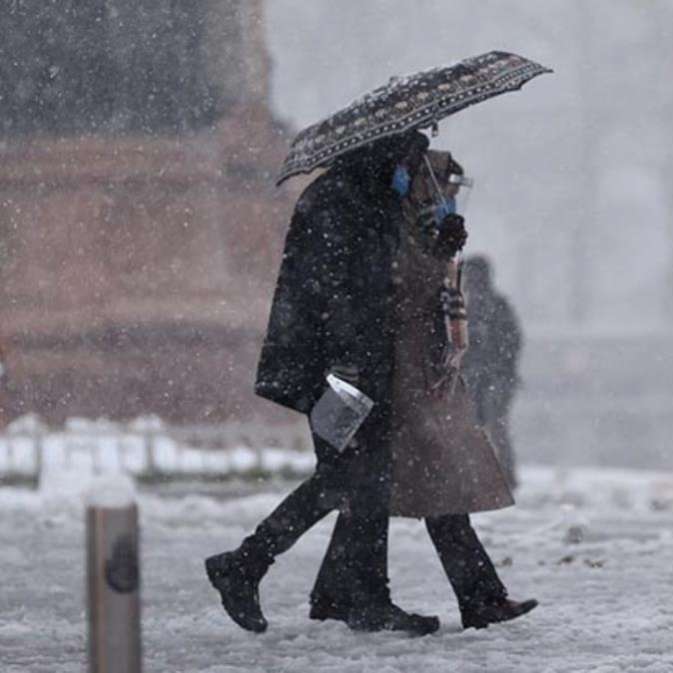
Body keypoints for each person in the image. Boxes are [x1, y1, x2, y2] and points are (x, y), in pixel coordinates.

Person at [205, 131, 536, 635]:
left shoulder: (365, 198)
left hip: (361, 366)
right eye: (406, 157)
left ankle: (341, 592)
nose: (412, 168)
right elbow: (351, 290)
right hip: (339, 372)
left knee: (359, 480)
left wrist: (437, 248)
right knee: (349, 478)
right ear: (383, 153)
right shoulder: (340, 201)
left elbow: (382, 283)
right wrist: (350, 362)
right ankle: (257, 568)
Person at [460, 256, 523, 488]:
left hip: (491, 376)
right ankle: (485, 475)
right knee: (483, 427)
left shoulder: (493, 306)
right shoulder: (468, 305)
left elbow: (511, 341)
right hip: (479, 376)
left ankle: (497, 476)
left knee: (492, 426)